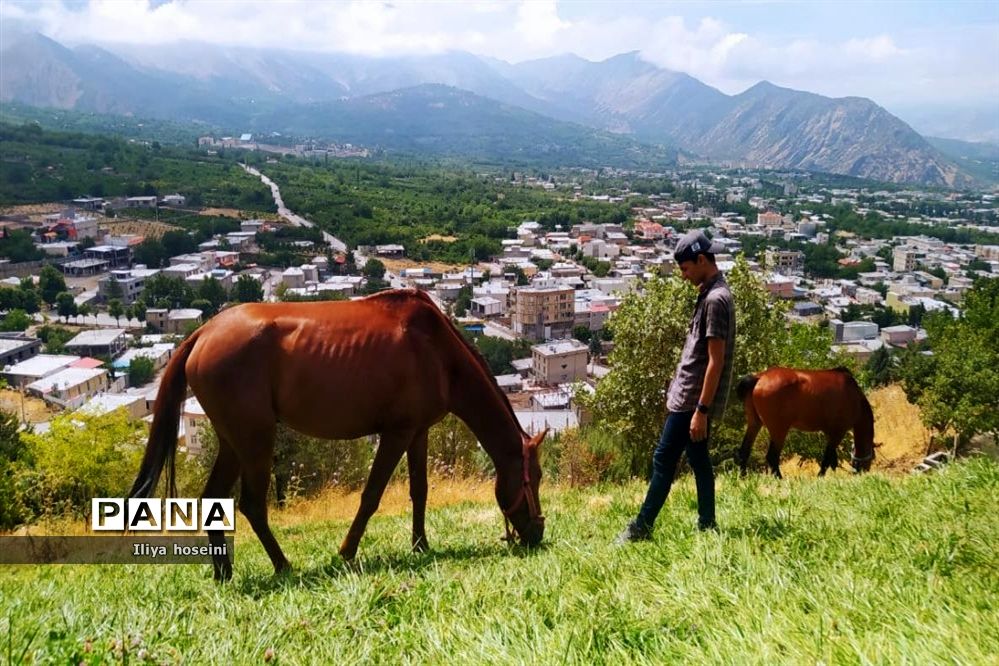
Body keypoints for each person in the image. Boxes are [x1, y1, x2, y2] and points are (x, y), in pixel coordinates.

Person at [618, 230, 736, 541]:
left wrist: (701, 410)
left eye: (685, 269)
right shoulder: (711, 292)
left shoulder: (716, 299)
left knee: (663, 460)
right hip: (689, 396)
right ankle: (707, 525)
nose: (683, 276)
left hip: (691, 400)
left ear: (701, 259)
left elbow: (715, 361)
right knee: (698, 460)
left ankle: (641, 527)